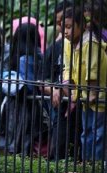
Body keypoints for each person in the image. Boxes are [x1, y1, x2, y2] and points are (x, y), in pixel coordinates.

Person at [62, 7, 107, 162]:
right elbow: (69, 68)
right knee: (86, 132)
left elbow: (92, 70)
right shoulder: (68, 44)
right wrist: (74, 92)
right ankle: (86, 166)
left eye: (68, 27)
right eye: (63, 28)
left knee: (98, 133)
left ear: (81, 25)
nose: (65, 32)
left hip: (98, 95)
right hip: (83, 95)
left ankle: (96, 167)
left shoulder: (90, 42)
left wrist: (93, 93)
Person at [0, 23, 44, 156]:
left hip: (19, 105)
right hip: (36, 104)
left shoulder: (22, 60)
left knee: (15, 139)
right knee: (27, 139)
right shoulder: (40, 56)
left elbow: (27, 85)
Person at [39, 0, 76, 160]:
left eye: (67, 23)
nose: (63, 27)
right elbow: (42, 80)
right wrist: (54, 89)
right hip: (59, 107)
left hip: (83, 103)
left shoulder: (90, 46)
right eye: (60, 23)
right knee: (59, 145)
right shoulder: (55, 47)